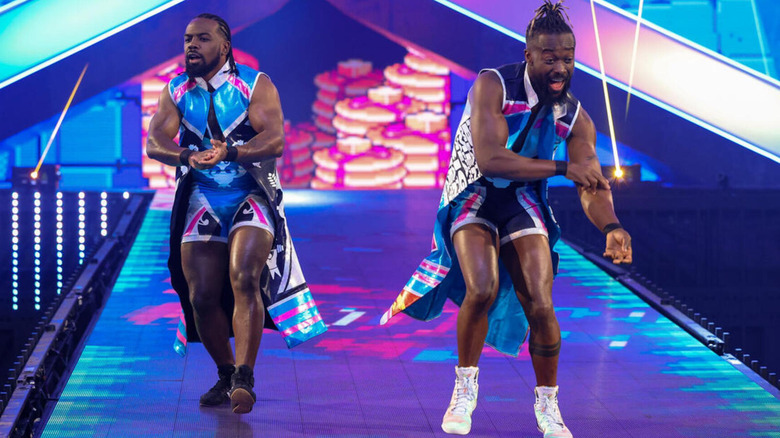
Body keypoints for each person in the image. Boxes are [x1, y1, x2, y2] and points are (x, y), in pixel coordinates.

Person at [380, 1, 633, 436]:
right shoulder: (492, 84)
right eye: (551, 58)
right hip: (472, 193)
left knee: (540, 300)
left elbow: (591, 183)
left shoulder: (574, 116)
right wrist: (561, 169)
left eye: (568, 59)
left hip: (521, 199)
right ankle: (464, 390)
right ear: (529, 55)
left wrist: (611, 226)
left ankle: (548, 406)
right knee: (482, 286)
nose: (561, 67)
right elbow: (492, 160)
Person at [146, 13, 326, 414]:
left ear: (224, 46)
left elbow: (275, 139)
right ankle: (226, 373)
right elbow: (155, 140)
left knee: (245, 275)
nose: (191, 45)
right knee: (202, 295)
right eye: (188, 39)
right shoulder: (175, 89)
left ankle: (245, 375)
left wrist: (233, 152)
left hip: (251, 192)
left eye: (202, 39)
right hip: (202, 197)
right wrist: (188, 156)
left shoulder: (255, 84)